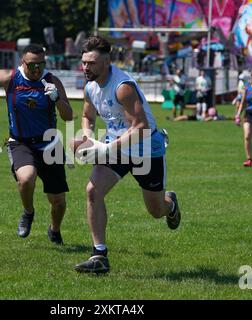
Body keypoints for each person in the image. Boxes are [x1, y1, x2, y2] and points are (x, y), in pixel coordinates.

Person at [74, 36, 181, 274]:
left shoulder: (123, 88)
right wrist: (86, 137)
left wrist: (105, 149)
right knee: (93, 191)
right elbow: (87, 116)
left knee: (155, 211)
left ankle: (170, 204)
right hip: (117, 147)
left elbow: (141, 126)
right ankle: (99, 255)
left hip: (146, 149)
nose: (86, 67)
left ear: (107, 61)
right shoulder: (90, 87)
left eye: (91, 63)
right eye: (83, 62)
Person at [0, 44, 73, 245]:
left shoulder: (52, 81)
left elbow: (69, 116)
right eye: (32, 65)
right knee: (26, 179)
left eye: (41, 65)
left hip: (50, 145)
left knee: (58, 202)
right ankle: (28, 212)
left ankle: (54, 230)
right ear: (22, 63)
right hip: (21, 143)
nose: (37, 70)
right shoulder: (11, 79)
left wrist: (57, 98)